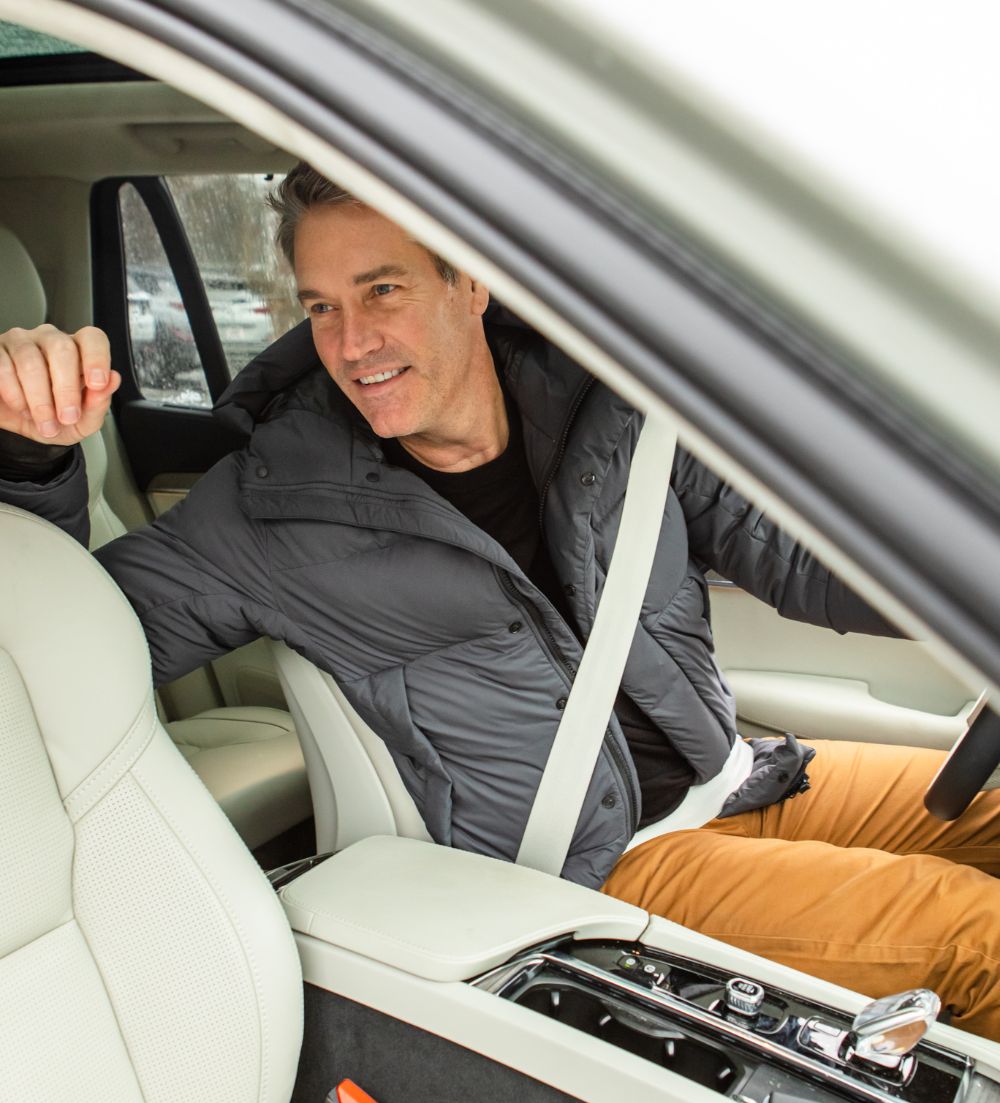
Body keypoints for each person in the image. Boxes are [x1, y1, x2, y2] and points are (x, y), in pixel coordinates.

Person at [3, 162, 1000, 1039]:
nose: (352, 342)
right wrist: (29, 462)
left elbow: (800, 558)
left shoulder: (613, 410)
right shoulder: (271, 506)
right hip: (599, 868)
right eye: (320, 306)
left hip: (738, 774)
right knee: (979, 939)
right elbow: (53, 659)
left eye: (381, 289)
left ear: (469, 279)